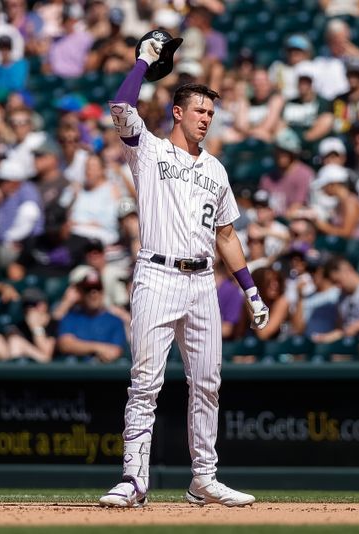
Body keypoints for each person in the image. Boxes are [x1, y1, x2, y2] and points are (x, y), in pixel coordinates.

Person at [99, 37, 269, 508]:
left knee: (208, 382)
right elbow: (119, 106)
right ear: (177, 112)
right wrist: (143, 61)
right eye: (199, 111)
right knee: (146, 381)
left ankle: (203, 479)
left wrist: (251, 291)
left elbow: (228, 236)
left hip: (202, 283)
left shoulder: (216, 169)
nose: (206, 118)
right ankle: (134, 480)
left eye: (211, 113)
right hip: (157, 275)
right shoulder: (149, 152)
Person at [55, 269, 127, 362]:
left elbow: (115, 352)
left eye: (97, 289)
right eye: (88, 290)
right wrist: (98, 348)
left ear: (103, 292)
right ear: (81, 293)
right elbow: (65, 345)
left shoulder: (115, 320)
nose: (93, 294)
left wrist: (79, 346)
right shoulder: (71, 317)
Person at [0, 287, 56, 363]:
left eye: (32, 305)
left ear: (43, 305)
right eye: (25, 305)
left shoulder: (53, 323)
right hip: (14, 360)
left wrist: (36, 327)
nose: (29, 309)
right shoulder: (22, 323)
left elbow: (47, 356)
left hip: (43, 367)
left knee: (16, 342)